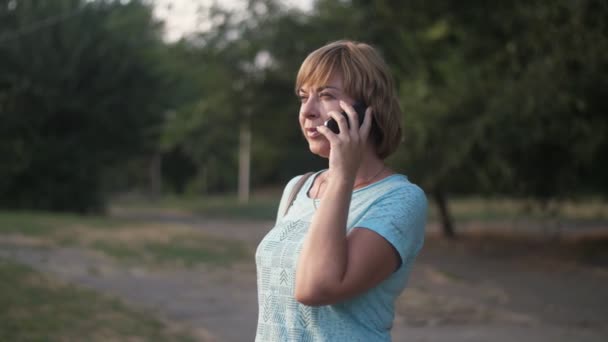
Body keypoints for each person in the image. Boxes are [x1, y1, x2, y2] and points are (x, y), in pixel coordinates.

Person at [255, 40, 428, 341]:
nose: (307, 111)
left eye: (325, 96)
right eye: (303, 97)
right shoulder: (298, 188)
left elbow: (316, 288)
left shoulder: (401, 200)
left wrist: (342, 175)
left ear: (366, 110)